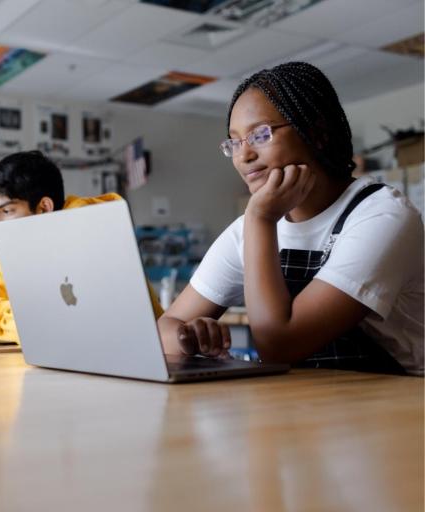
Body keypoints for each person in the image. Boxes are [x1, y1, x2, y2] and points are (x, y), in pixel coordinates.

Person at [158, 61, 423, 375]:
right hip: (310, 408)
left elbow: (279, 344)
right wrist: (188, 338)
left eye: (260, 135)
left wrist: (261, 218)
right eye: (235, 142)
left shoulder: (381, 215)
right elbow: (163, 329)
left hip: (401, 406)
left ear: (317, 134)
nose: (244, 156)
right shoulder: (251, 226)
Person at [0, 150, 163, 342]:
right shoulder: (14, 257)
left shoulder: (96, 240)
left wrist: (13, 322)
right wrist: (11, 313)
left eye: (6, 211)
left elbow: (72, 330)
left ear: (44, 207)